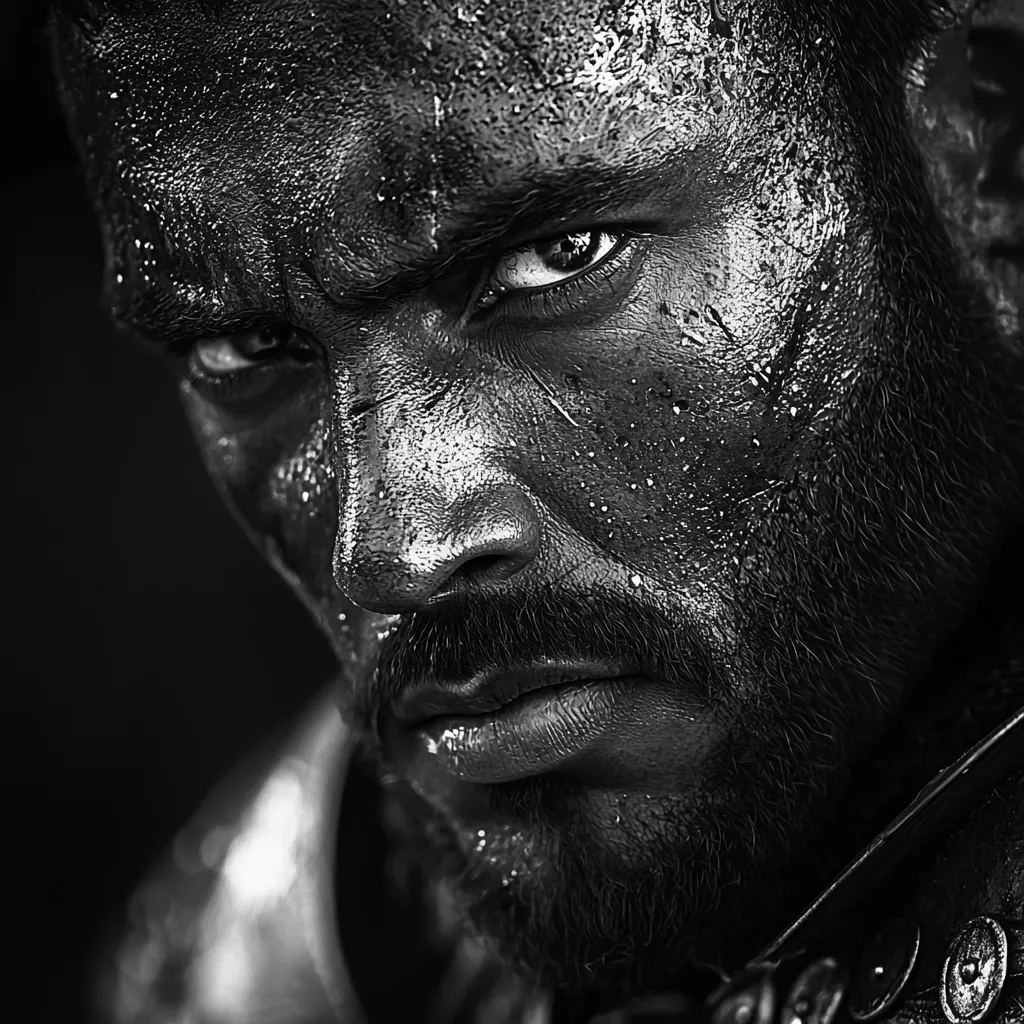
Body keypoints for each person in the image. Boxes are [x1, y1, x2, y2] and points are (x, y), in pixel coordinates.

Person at [49, 0, 1023, 1021]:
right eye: (244, 349)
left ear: (986, 158)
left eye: (559, 257)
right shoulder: (284, 942)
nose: (392, 548)